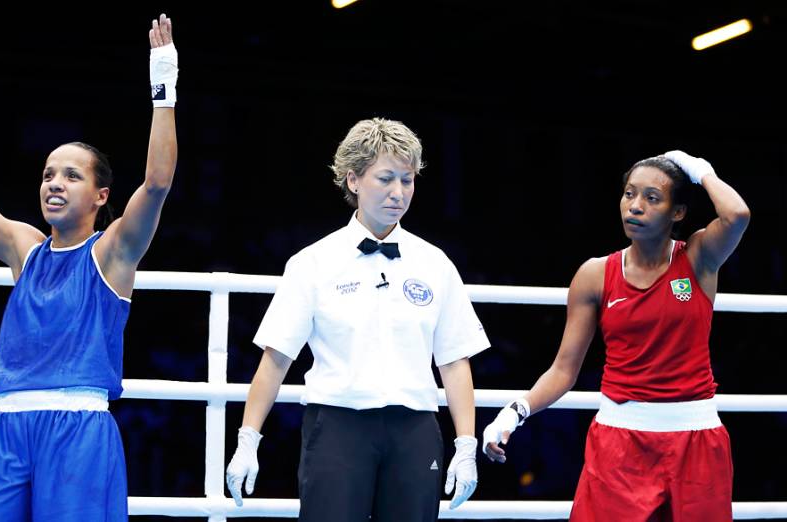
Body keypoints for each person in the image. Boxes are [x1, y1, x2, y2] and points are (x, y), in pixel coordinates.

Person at [0, 13, 179, 521]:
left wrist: (163, 87)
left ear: (100, 195)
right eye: (48, 174)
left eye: (70, 174)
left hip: (78, 427)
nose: (54, 183)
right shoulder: (23, 247)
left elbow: (155, 184)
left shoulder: (113, 253)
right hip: (6, 425)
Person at [225, 118, 490, 521]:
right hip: (336, 425)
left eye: (407, 180)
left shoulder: (435, 264)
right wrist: (247, 440)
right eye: (386, 179)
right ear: (353, 180)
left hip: (414, 430)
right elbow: (276, 358)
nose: (398, 193)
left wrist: (467, 445)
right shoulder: (312, 262)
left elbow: (454, 361)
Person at [482, 151, 750, 521]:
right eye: (629, 194)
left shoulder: (699, 257)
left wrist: (698, 168)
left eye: (651, 198)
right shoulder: (595, 274)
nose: (635, 206)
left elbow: (737, 214)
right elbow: (564, 369)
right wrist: (516, 411)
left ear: (678, 212)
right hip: (620, 441)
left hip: (696, 437)